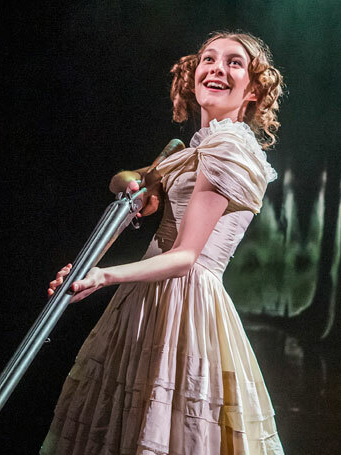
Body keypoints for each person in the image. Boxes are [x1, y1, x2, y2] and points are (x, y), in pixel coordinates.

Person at [41, 31, 285, 455]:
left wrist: (102, 275)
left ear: (253, 88)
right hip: (149, 296)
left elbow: (187, 256)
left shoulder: (229, 148)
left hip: (184, 298)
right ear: (194, 76)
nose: (217, 68)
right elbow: (124, 181)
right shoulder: (192, 149)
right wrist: (148, 187)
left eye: (234, 62)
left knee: (167, 427)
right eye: (209, 58)